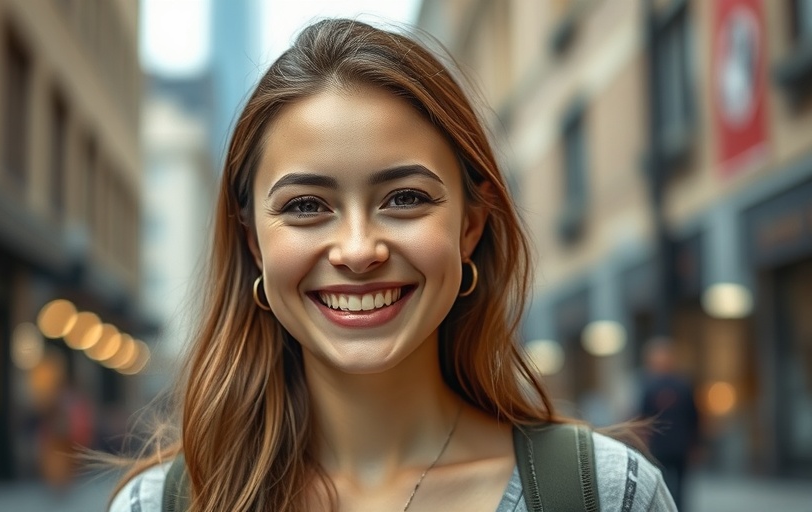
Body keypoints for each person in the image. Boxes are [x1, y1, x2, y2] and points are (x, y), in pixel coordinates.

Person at [110, 19, 676, 511]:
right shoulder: (158, 505)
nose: (358, 251)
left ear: (470, 227)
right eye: (307, 206)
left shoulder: (608, 495)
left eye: (405, 198)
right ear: (253, 242)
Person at [639, 338, 700, 511]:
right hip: (659, 446)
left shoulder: (683, 385)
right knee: (662, 488)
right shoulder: (649, 386)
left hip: (680, 445)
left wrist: (695, 444)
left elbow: (693, 417)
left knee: (680, 489)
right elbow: (643, 418)